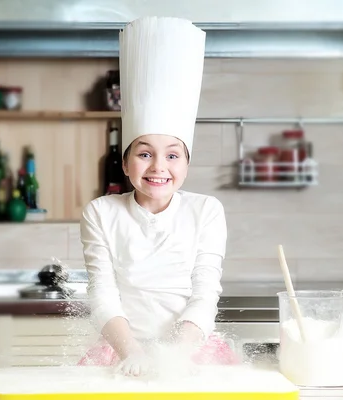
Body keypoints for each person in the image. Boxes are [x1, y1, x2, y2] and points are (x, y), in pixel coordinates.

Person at [77, 16, 239, 377]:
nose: (158, 167)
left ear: (186, 163)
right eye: (145, 153)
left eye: (172, 155)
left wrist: (175, 355)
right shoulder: (101, 212)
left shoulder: (206, 210)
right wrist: (132, 351)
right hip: (120, 348)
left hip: (191, 348)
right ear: (125, 162)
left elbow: (205, 292)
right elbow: (102, 293)